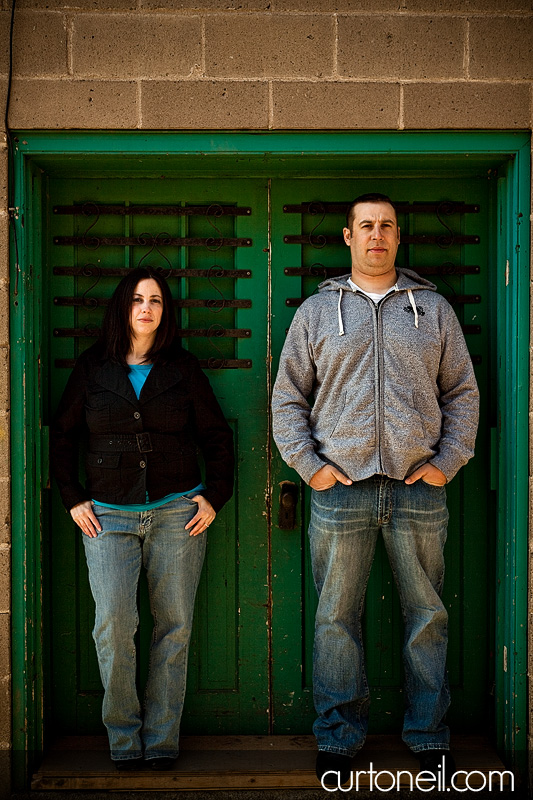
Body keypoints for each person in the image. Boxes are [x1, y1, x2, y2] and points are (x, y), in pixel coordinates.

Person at [271, 193, 479, 786]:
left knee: (427, 616)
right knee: (335, 617)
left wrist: (448, 460)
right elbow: (288, 398)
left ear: (397, 235)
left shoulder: (432, 310)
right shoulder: (317, 312)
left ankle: (429, 737)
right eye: (366, 226)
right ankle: (339, 738)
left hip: (420, 487)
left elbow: (462, 391)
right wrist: (311, 467)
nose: (377, 236)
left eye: (386, 226)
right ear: (348, 237)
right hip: (341, 490)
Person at [51, 267, 234, 771]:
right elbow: (62, 437)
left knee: (173, 627)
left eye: (155, 300)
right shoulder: (93, 369)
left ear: (166, 312)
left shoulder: (184, 369)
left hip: (178, 513)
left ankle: (162, 739)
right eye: (137, 300)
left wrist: (214, 496)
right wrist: (73, 497)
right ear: (122, 308)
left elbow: (218, 437)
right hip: (108, 516)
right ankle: (124, 739)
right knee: (114, 625)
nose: (146, 308)